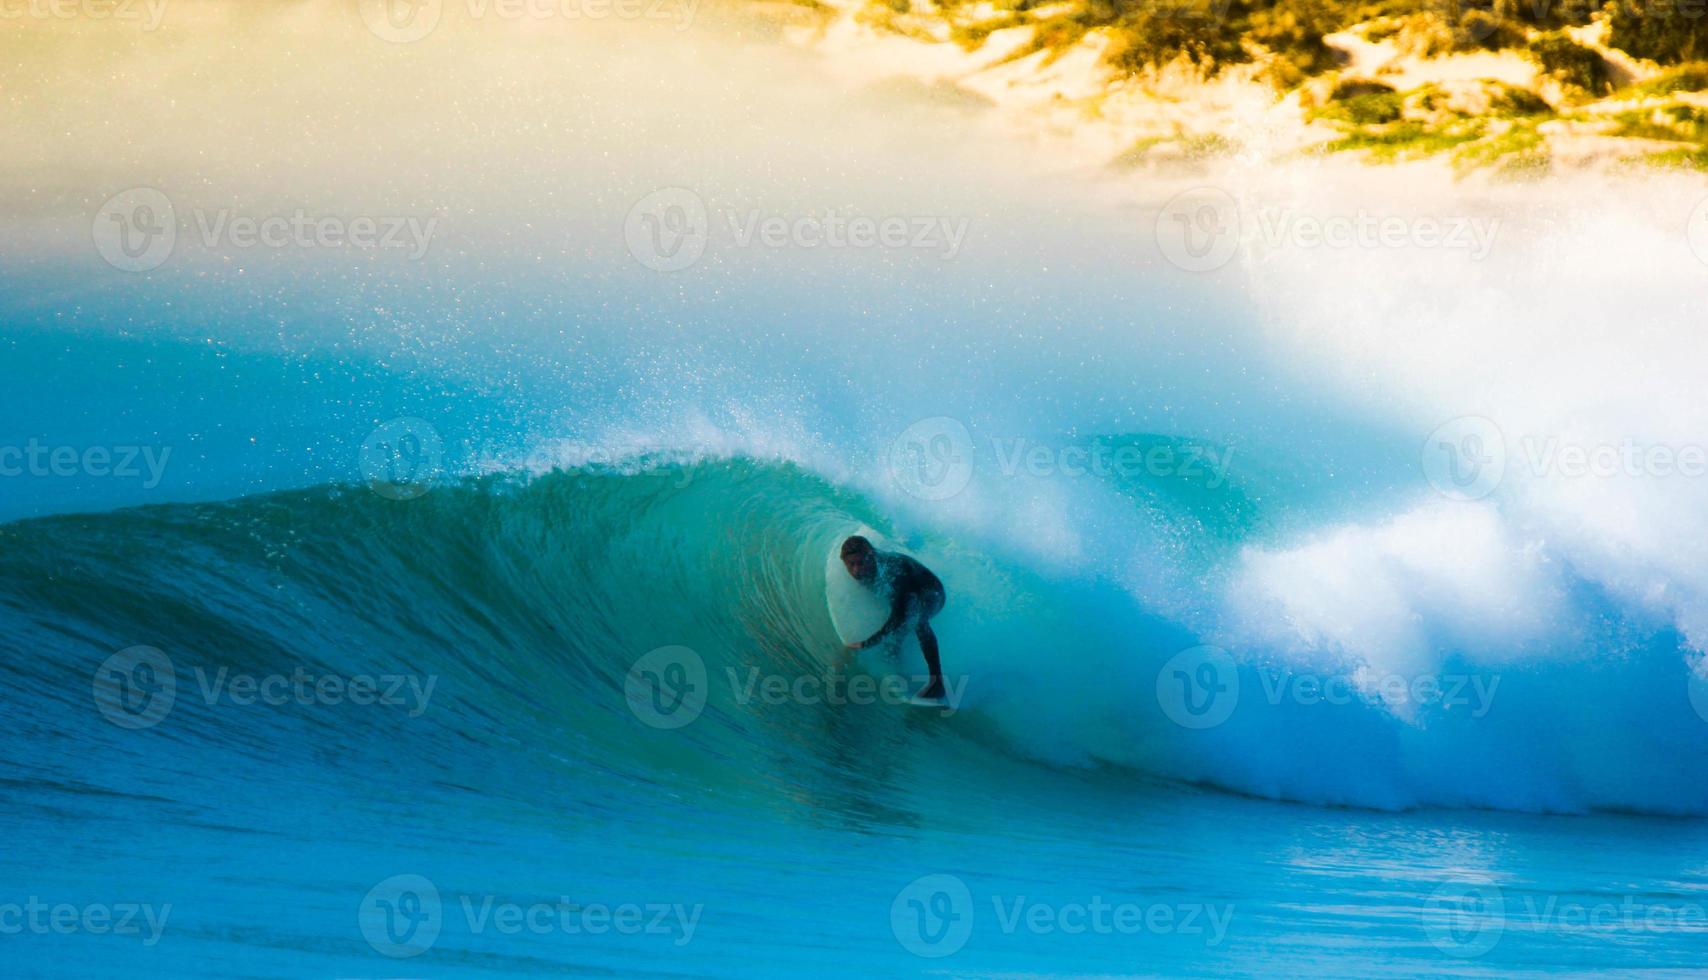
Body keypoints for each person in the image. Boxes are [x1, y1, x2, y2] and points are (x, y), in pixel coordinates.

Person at [838, 535, 947, 701]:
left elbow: (899, 616)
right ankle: (897, 660)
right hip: (909, 592)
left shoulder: (892, 572)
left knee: (918, 622)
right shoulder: (870, 564)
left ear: (871, 556)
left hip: (933, 593)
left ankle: (937, 683)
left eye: (860, 563)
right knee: (897, 633)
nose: (856, 570)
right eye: (850, 564)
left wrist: (867, 643)